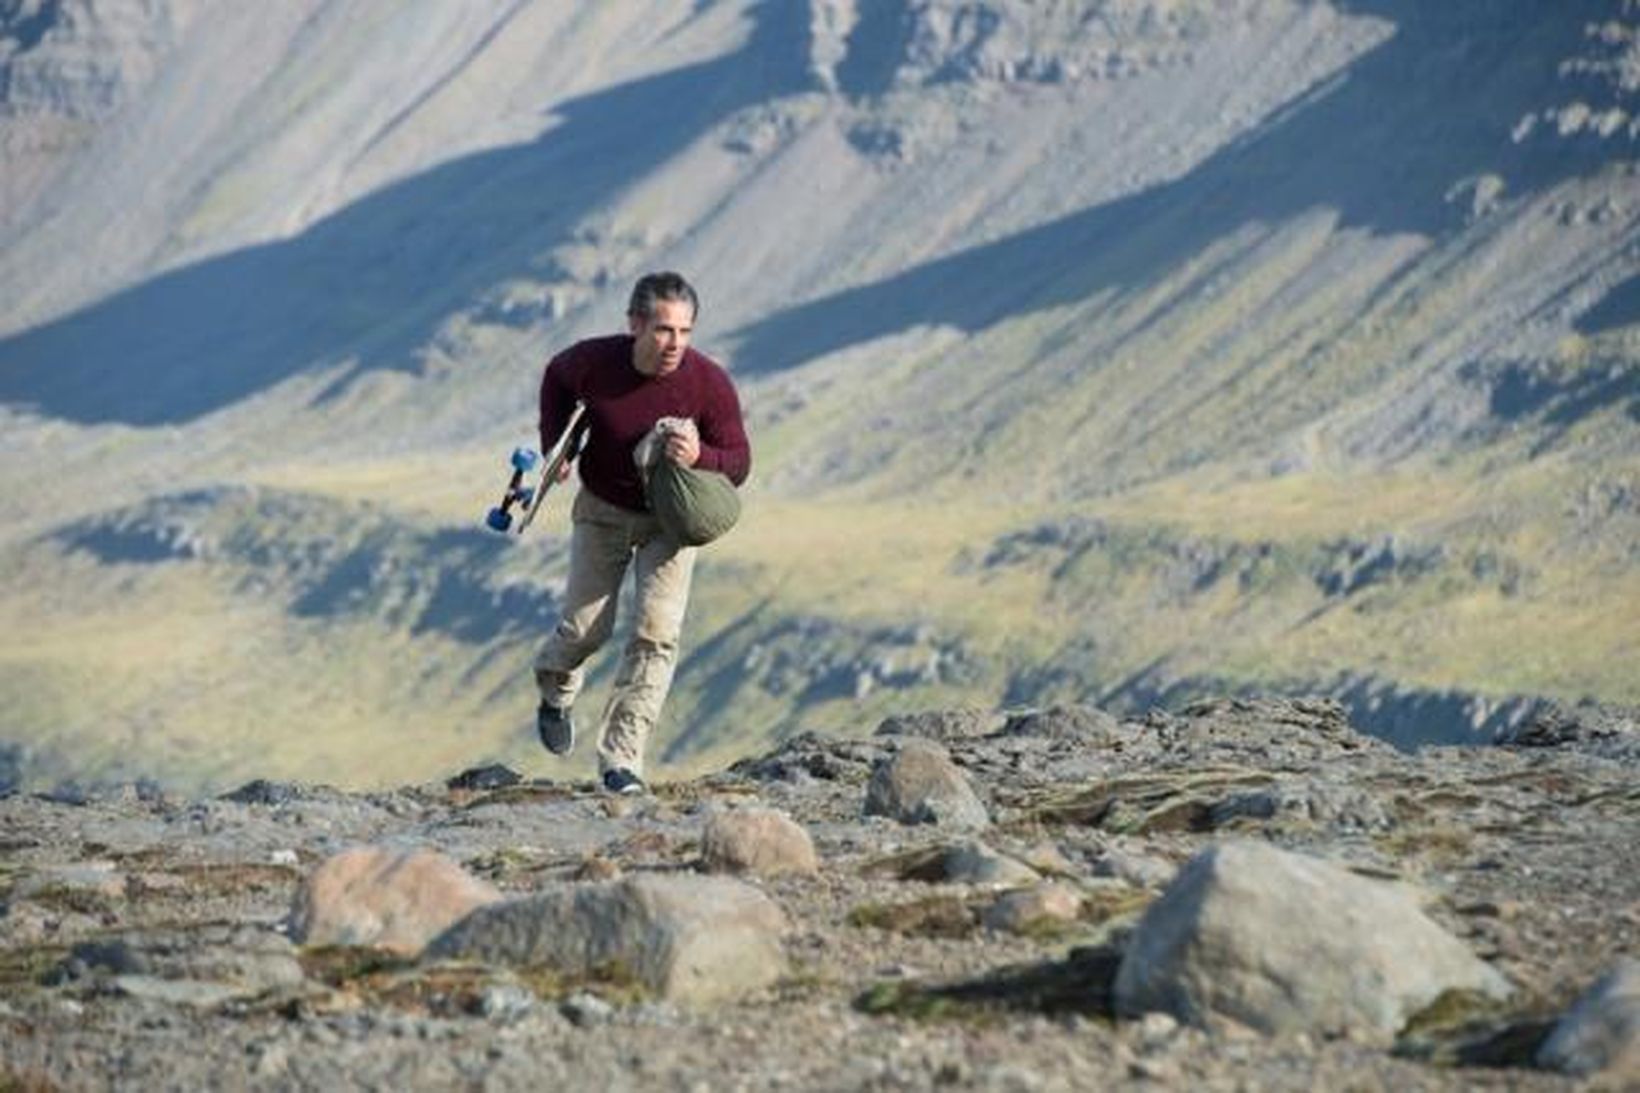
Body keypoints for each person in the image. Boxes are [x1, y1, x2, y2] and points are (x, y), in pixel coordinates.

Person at [531, 271, 751, 795]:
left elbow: (739, 463)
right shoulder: (591, 363)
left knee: (657, 634)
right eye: (663, 329)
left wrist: (701, 457)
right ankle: (555, 689)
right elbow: (556, 380)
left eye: (685, 331)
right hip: (603, 508)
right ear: (635, 324)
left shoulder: (709, 383)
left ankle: (621, 761)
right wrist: (555, 448)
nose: (674, 343)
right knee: (586, 630)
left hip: (670, 522)